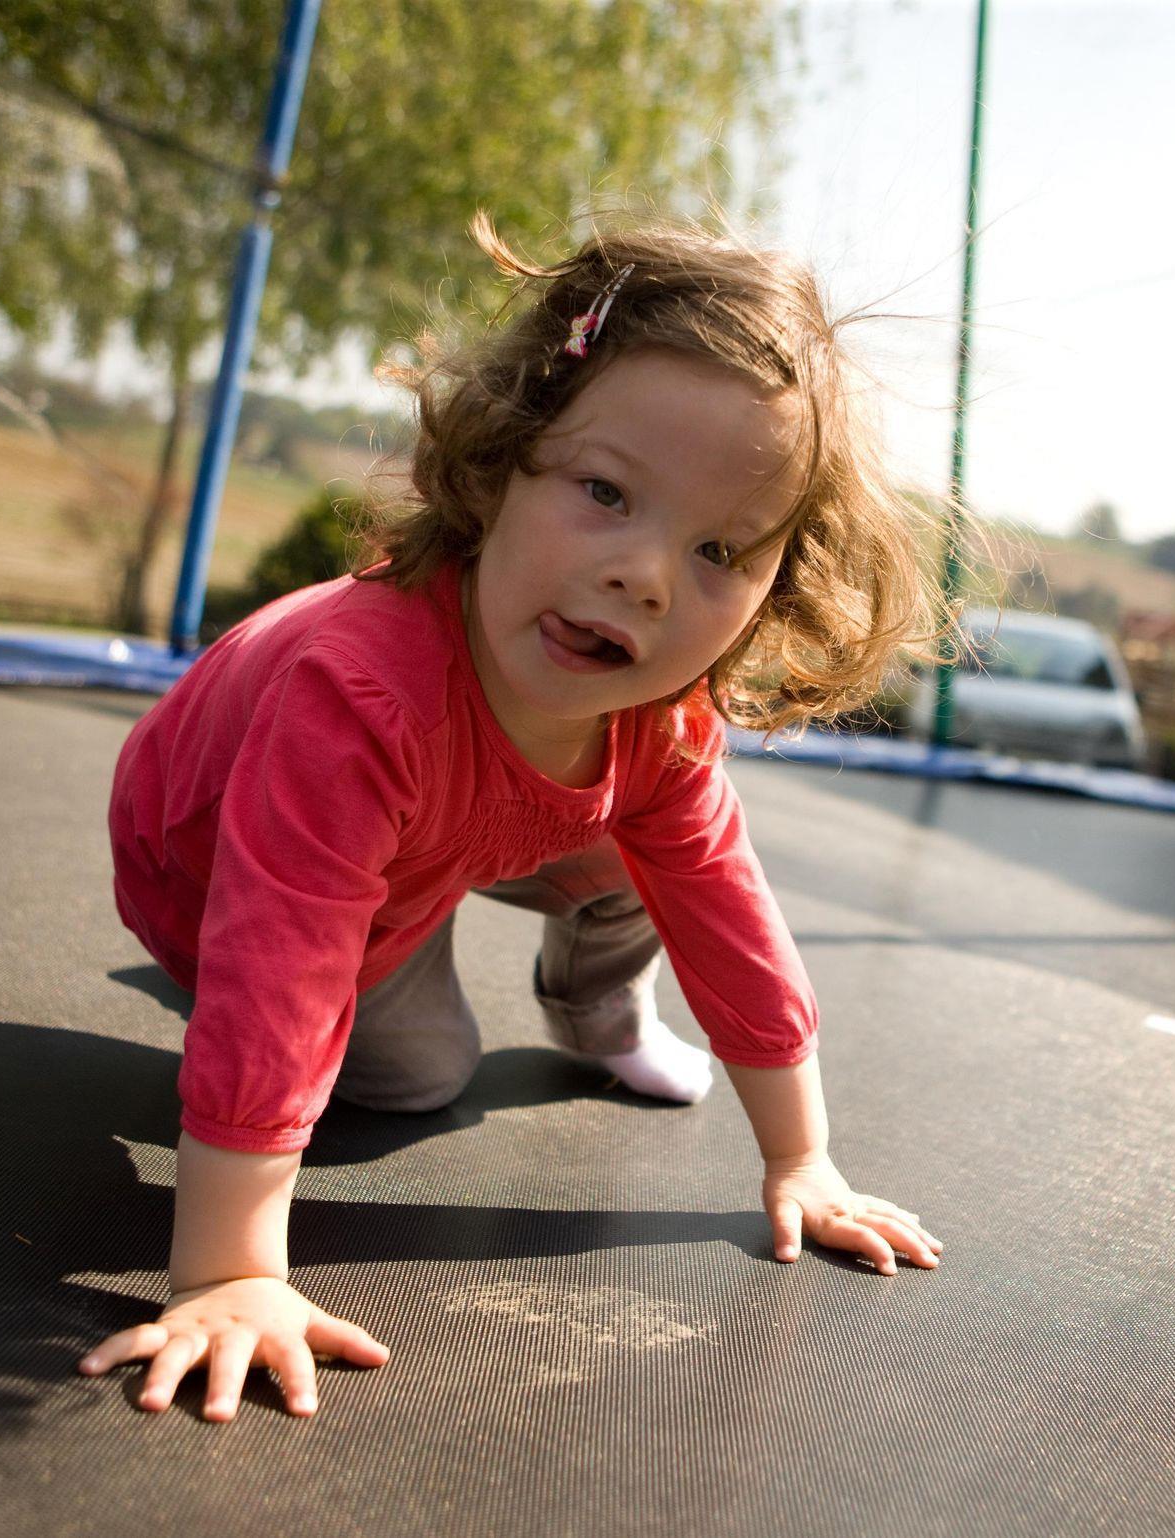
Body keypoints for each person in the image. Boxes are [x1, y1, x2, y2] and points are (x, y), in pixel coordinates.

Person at [78, 213, 950, 1422]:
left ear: (772, 587)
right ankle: (234, 971)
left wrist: (801, 1157)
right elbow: (284, 963)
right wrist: (229, 1272)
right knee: (421, 1074)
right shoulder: (360, 700)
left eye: (717, 548)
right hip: (211, 853)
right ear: (501, 460)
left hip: (434, 830)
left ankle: (592, 1008)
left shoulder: (659, 718)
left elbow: (726, 918)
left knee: (663, 844)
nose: (645, 573)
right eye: (604, 492)